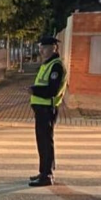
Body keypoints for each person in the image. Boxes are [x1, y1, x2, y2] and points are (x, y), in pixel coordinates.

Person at [28, 36, 68, 187]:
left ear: (53, 47)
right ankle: (43, 171)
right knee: (42, 142)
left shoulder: (56, 66)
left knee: (45, 142)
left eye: (44, 47)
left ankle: (47, 175)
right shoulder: (48, 64)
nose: (41, 50)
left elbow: (52, 90)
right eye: (40, 47)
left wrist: (33, 90)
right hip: (41, 109)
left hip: (47, 109)